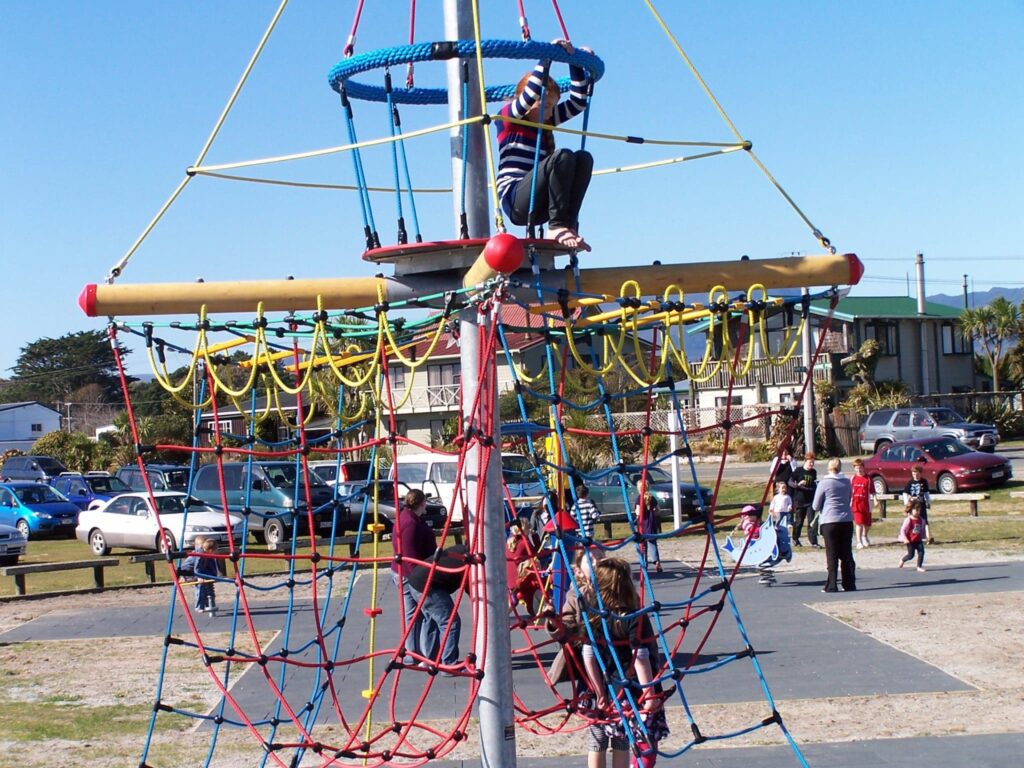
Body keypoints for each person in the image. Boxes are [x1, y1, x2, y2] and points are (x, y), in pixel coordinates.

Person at [495, 39, 595, 251]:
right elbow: (530, 93)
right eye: (547, 106)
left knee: (583, 159)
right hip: (516, 201)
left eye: (553, 107)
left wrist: (574, 62)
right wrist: (547, 56)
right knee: (562, 156)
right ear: (529, 102)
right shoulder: (507, 118)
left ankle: (567, 223)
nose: (550, 112)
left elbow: (578, 103)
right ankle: (557, 226)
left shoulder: (545, 121)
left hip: (540, 203)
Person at [581, 557, 667, 768]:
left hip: (610, 691)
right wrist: (649, 694)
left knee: (614, 740)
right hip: (635, 691)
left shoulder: (594, 616)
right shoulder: (633, 616)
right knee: (636, 742)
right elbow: (640, 657)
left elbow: (589, 655)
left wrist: (599, 691)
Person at [391, 488, 438, 664]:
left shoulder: (407, 518)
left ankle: (413, 653)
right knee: (426, 612)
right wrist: (421, 581)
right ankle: (422, 654)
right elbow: (408, 554)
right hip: (410, 574)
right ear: (421, 503)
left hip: (403, 571)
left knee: (413, 614)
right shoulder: (409, 523)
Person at [545, 546, 603, 685]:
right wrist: (554, 621)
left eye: (601, 558)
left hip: (616, 656)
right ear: (579, 572)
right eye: (591, 560)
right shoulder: (576, 595)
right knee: (589, 697)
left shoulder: (619, 590)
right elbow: (567, 626)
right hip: (587, 659)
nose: (597, 563)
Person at [406, 544, 466, 670]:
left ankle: (431, 660)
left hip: (416, 581)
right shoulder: (470, 560)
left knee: (431, 619)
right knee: (450, 622)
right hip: (427, 585)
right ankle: (449, 663)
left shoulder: (461, 550)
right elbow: (472, 586)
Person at [811, 457, 856, 593]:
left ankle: (831, 585)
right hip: (846, 520)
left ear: (828, 467)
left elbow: (815, 505)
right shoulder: (847, 481)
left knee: (832, 554)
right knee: (846, 553)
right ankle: (849, 583)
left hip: (830, 520)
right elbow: (848, 498)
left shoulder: (824, 483)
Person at [507, 516, 544, 616]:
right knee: (535, 585)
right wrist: (535, 536)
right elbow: (538, 553)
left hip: (507, 580)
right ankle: (538, 608)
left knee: (513, 599)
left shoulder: (508, 542)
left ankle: (506, 612)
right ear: (526, 530)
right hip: (518, 580)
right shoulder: (524, 543)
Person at [180, 536, 219, 616]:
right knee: (201, 584)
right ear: (210, 550)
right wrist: (199, 577)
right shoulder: (200, 554)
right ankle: (199, 606)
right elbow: (197, 567)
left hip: (194, 572)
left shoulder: (205, 553)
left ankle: (208, 603)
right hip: (187, 573)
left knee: (207, 582)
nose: (214, 554)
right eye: (214, 551)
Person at [788, 453, 819, 548]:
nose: (811, 465)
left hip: (810, 500)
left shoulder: (813, 472)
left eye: (813, 463)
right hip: (799, 500)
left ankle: (813, 542)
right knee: (799, 521)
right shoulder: (798, 471)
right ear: (805, 461)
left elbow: (814, 483)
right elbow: (790, 482)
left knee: (811, 522)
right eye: (810, 462)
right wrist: (798, 485)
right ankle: (795, 539)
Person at [901, 465, 933, 543]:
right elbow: (905, 493)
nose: (915, 474)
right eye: (913, 473)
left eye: (917, 473)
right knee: (912, 521)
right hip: (913, 505)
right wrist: (906, 503)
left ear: (920, 473)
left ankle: (929, 537)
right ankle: (911, 536)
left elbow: (926, 493)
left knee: (924, 520)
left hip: (921, 504)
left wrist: (928, 502)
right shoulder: (910, 483)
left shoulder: (923, 482)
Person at [898, 499, 928, 572]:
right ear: (911, 510)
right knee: (911, 555)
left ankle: (919, 566)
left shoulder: (921, 520)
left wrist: (924, 537)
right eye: (916, 510)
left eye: (919, 510)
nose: (918, 512)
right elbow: (903, 530)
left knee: (921, 552)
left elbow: (922, 529)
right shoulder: (908, 520)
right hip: (910, 541)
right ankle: (903, 560)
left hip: (918, 540)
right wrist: (905, 539)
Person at [636, 492, 662, 573]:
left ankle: (644, 563)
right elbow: (658, 510)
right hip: (651, 523)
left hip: (642, 524)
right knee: (653, 543)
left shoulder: (639, 498)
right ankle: (656, 561)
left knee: (643, 544)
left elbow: (638, 512)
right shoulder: (652, 498)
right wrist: (652, 512)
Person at [850, 457, 873, 549]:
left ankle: (864, 535)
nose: (858, 470)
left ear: (863, 467)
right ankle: (859, 541)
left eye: (860, 467)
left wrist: (875, 500)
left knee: (867, 523)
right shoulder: (852, 479)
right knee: (858, 523)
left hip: (866, 504)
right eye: (856, 468)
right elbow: (849, 491)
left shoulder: (868, 479)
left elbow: (872, 492)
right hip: (856, 504)